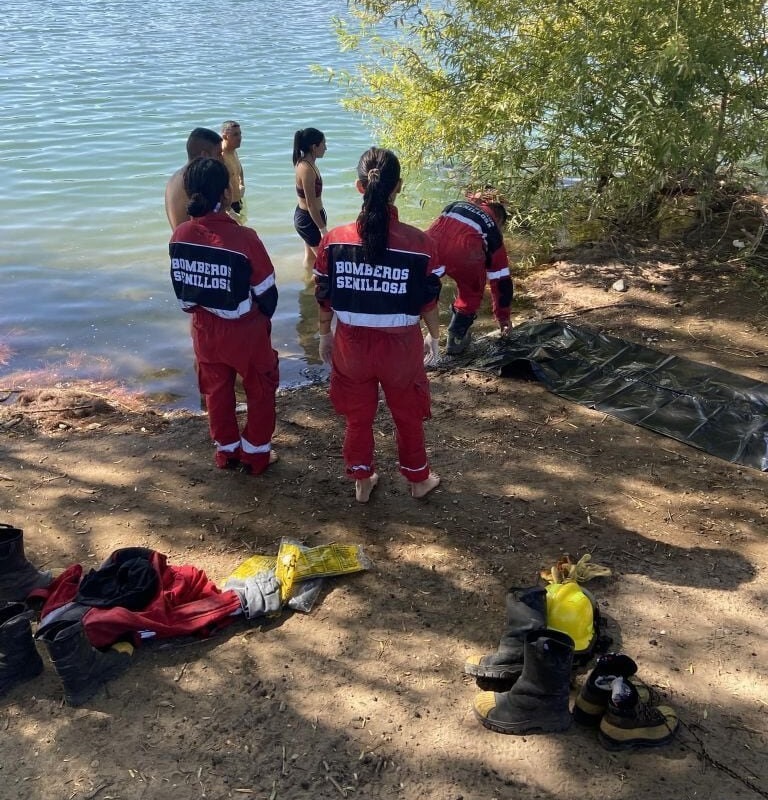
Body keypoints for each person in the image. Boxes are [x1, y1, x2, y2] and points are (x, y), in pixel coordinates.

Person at [313, 147, 443, 503]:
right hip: (401, 347)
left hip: (351, 345)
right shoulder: (421, 243)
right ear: (398, 186)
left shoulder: (334, 240)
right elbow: (429, 299)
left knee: (357, 417)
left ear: (359, 187)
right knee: (407, 414)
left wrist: (324, 335)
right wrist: (435, 336)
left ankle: (362, 478)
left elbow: (324, 295)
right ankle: (418, 480)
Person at [169, 157, 279, 474]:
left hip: (204, 328)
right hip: (245, 330)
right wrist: (261, 321)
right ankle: (256, 456)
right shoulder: (245, 239)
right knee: (260, 388)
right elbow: (267, 292)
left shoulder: (180, 236)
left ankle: (227, 452)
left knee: (216, 391)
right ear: (227, 193)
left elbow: (183, 292)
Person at [426, 192, 514, 354]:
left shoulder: (456, 204)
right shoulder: (493, 229)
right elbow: (501, 279)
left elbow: (438, 226)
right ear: (500, 220)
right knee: (471, 292)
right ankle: (456, 338)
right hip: (464, 254)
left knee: (421, 286)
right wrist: (503, 317)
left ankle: (408, 329)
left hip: (430, 243)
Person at [165, 128, 223, 230]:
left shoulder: (175, 177)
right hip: (195, 241)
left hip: (179, 241)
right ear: (204, 155)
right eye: (219, 154)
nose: (222, 159)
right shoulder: (196, 180)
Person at [293, 127, 328, 268]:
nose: (326, 148)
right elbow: (311, 204)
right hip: (308, 219)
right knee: (324, 261)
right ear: (314, 147)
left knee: (310, 257)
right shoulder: (306, 169)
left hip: (312, 216)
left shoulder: (309, 164)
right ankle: (315, 286)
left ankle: (307, 285)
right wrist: (323, 229)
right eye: (323, 144)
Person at [221, 120, 245, 217]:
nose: (239, 138)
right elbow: (216, 186)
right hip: (227, 207)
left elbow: (239, 168)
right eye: (235, 135)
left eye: (240, 134)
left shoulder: (233, 151)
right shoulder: (220, 157)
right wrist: (227, 209)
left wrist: (242, 183)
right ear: (225, 137)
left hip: (238, 201)